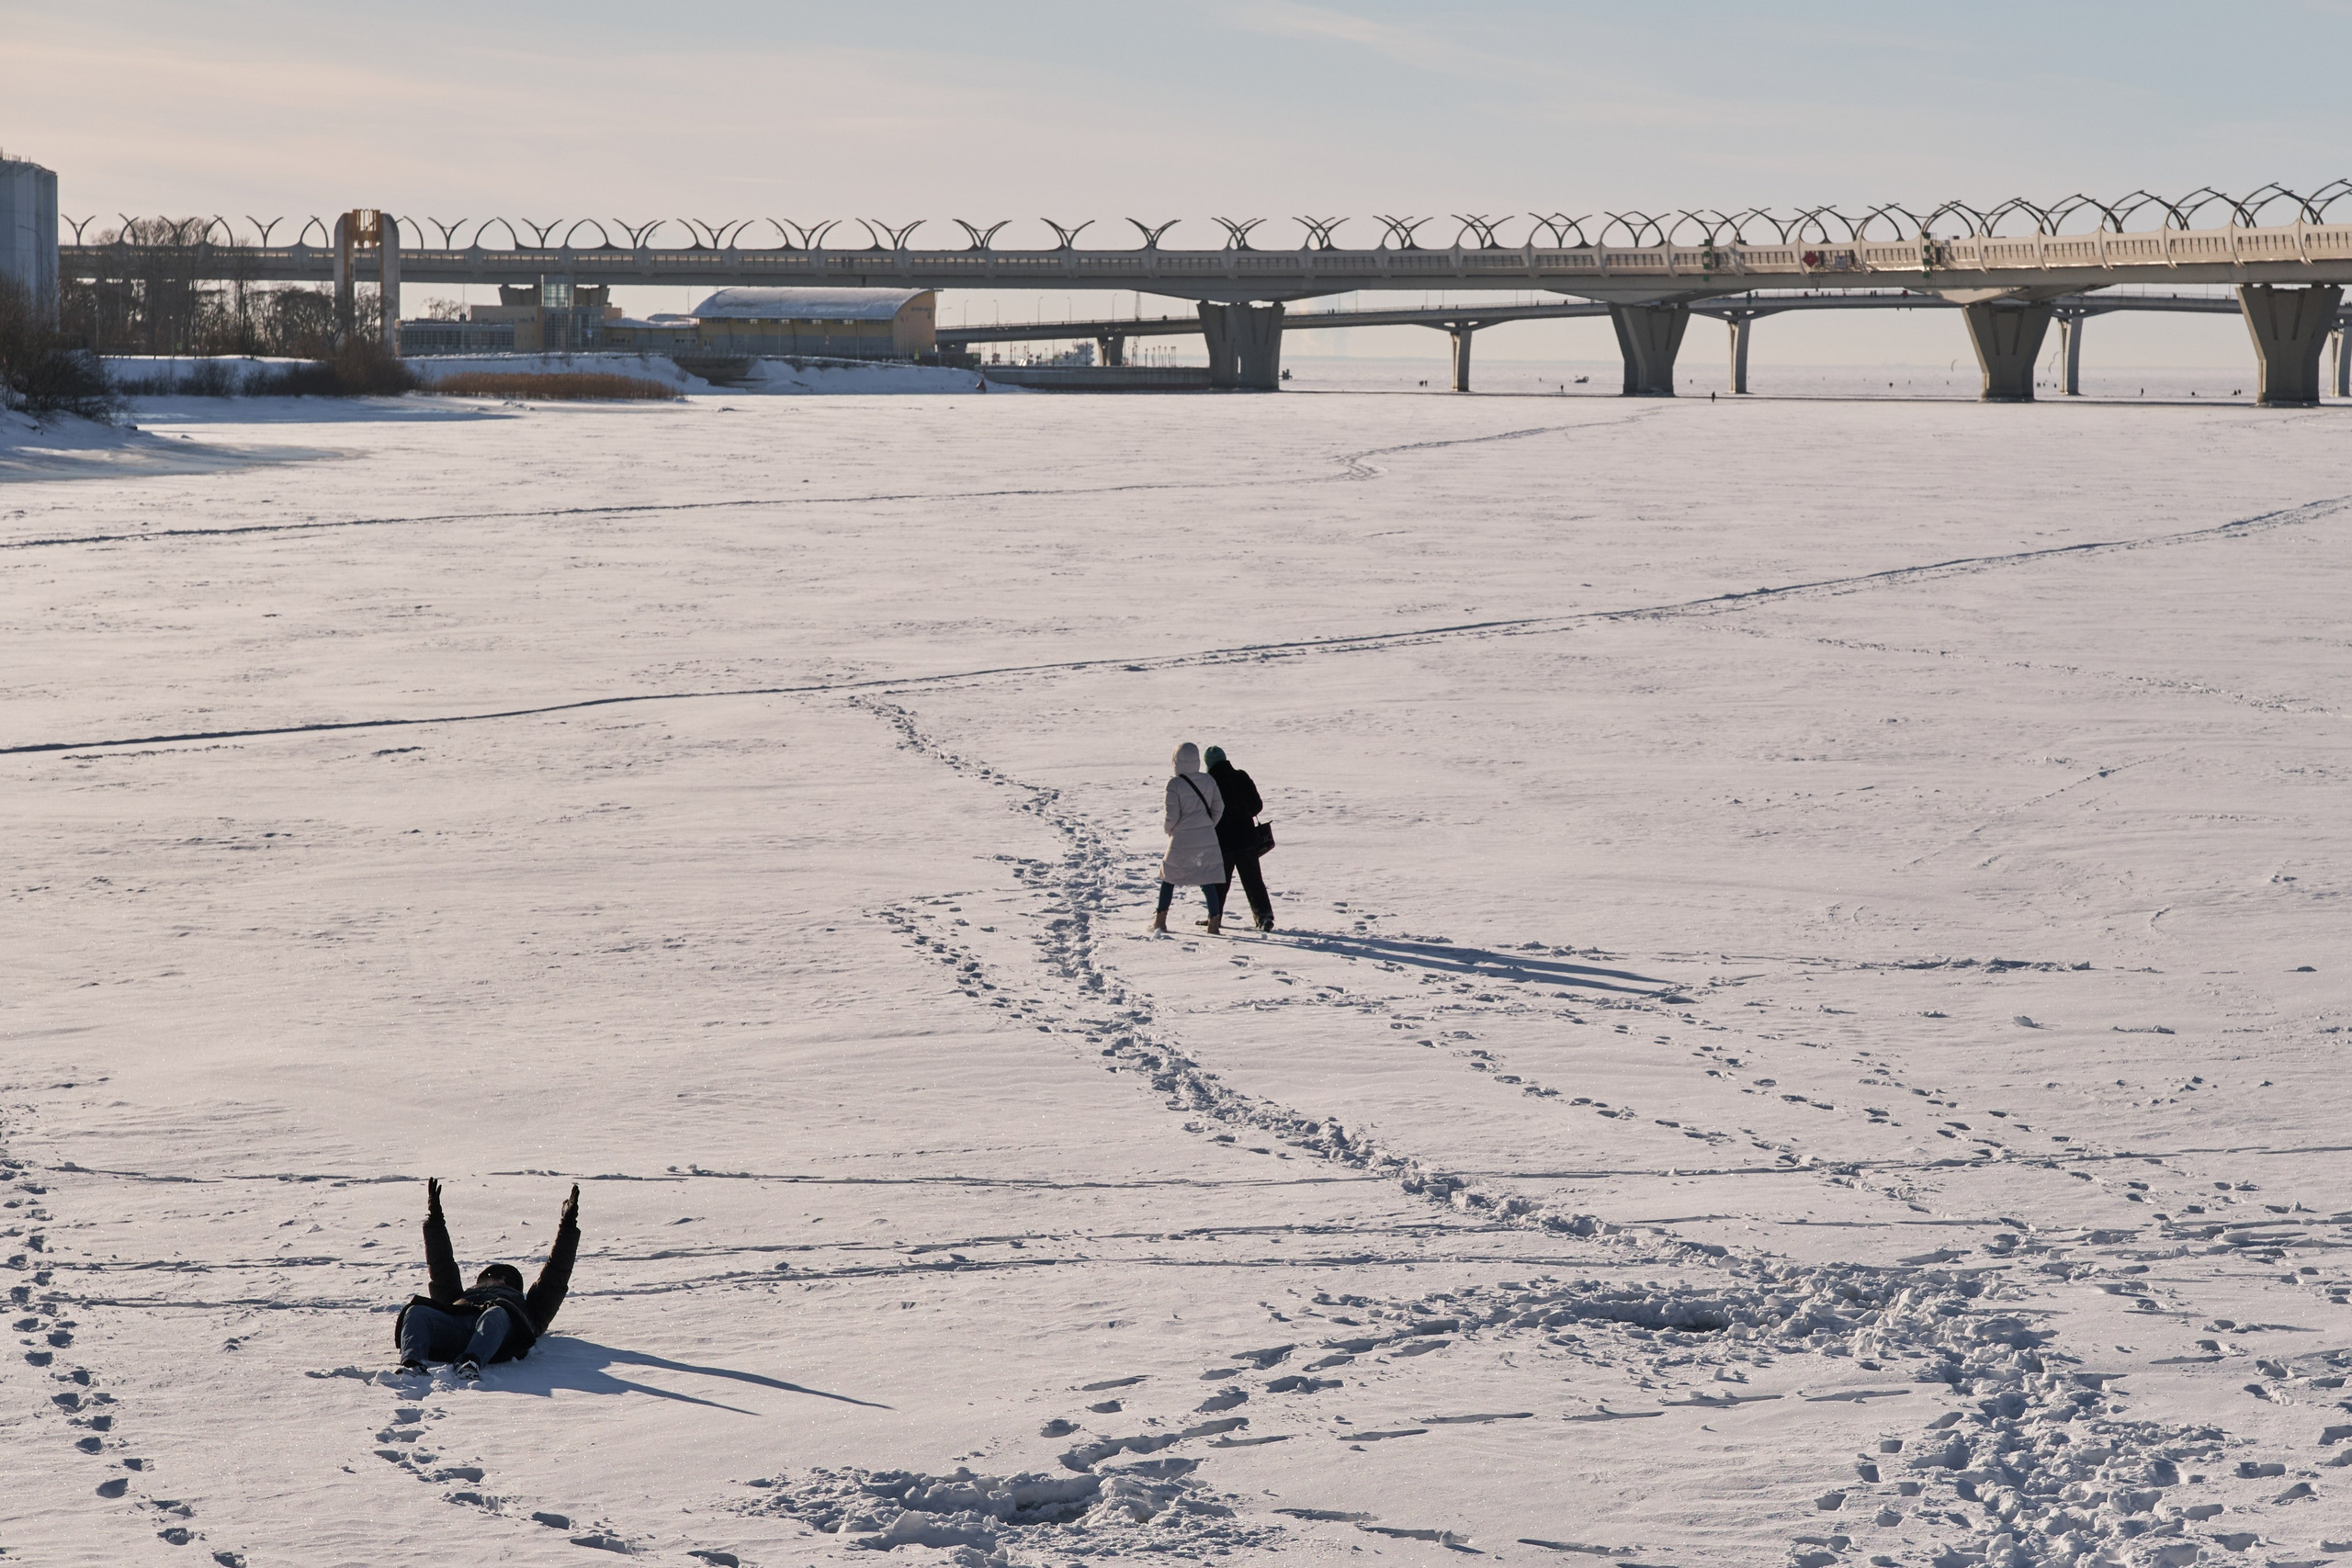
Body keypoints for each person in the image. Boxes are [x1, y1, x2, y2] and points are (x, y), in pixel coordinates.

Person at [392, 1179, 580, 1380]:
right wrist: (435, 1220)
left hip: (498, 1337)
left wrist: (567, 1226)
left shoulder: (528, 1309)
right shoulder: (458, 1298)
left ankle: (470, 1362)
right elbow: (441, 1264)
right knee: (416, 1311)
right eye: (491, 1277)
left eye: (507, 1279)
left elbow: (556, 1274)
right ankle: (414, 1364)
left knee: (496, 1313)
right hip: (456, 1327)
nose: (499, 1280)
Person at [1153, 741, 1226, 934]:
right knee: (1208, 877)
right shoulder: (1209, 781)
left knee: (1168, 877)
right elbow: (1219, 807)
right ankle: (1214, 923)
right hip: (1206, 836)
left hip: (1182, 839)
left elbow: (1172, 815)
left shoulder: (1174, 784)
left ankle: (1160, 921)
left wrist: (1169, 830)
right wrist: (1209, 825)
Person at [1204, 745, 1274, 932]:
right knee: (1253, 881)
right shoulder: (1241, 776)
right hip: (1246, 839)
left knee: (1219, 882)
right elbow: (1257, 805)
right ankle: (1264, 917)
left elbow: (1206, 813)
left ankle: (1214, 918)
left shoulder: (1209, 783)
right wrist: (1243, 814)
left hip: (1222, 842)